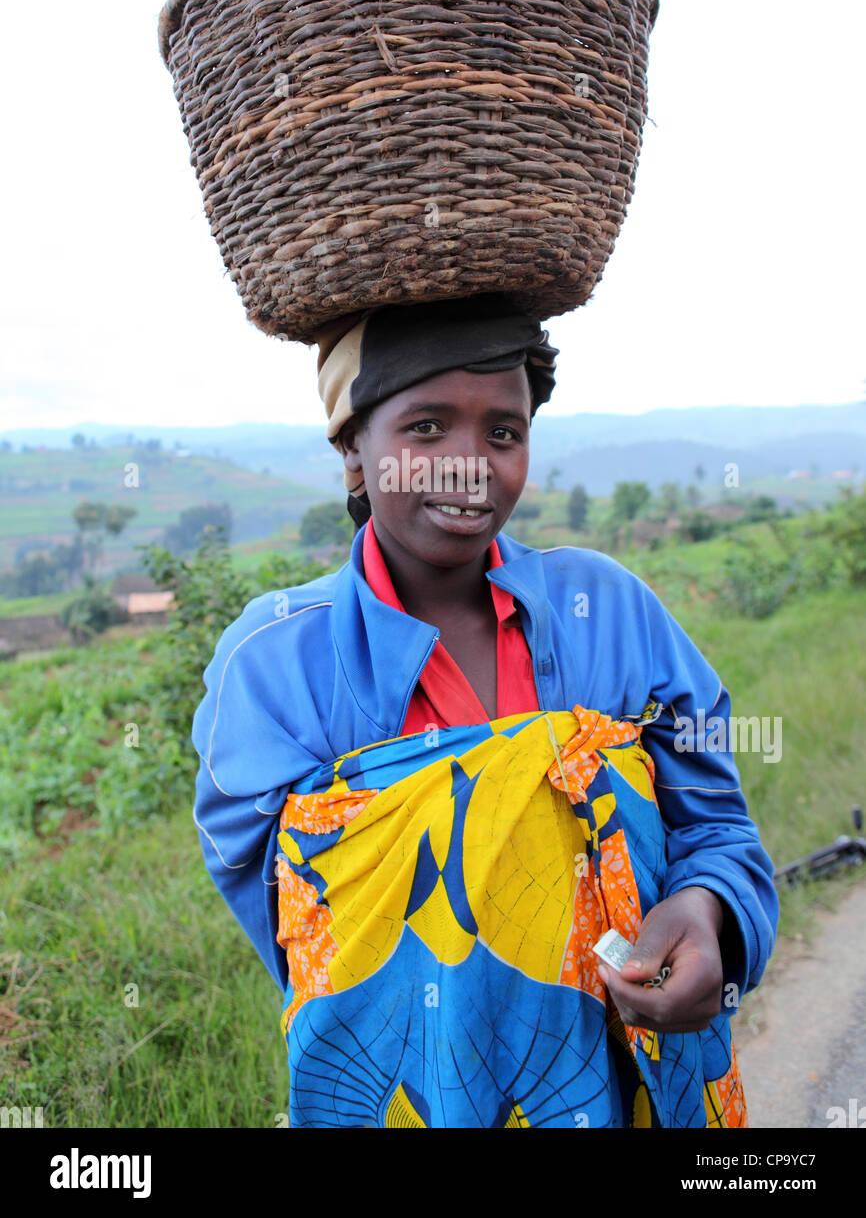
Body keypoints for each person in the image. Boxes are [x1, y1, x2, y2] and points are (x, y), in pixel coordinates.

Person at [191, 294, 778, 1129]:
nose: (471, 464)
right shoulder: (277, 668)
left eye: (504, 432)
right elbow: (297, 938)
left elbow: (717, 828)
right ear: (353, 445)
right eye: (426, 427)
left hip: (632, 1095)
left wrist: (706, 911)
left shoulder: (609, 614)